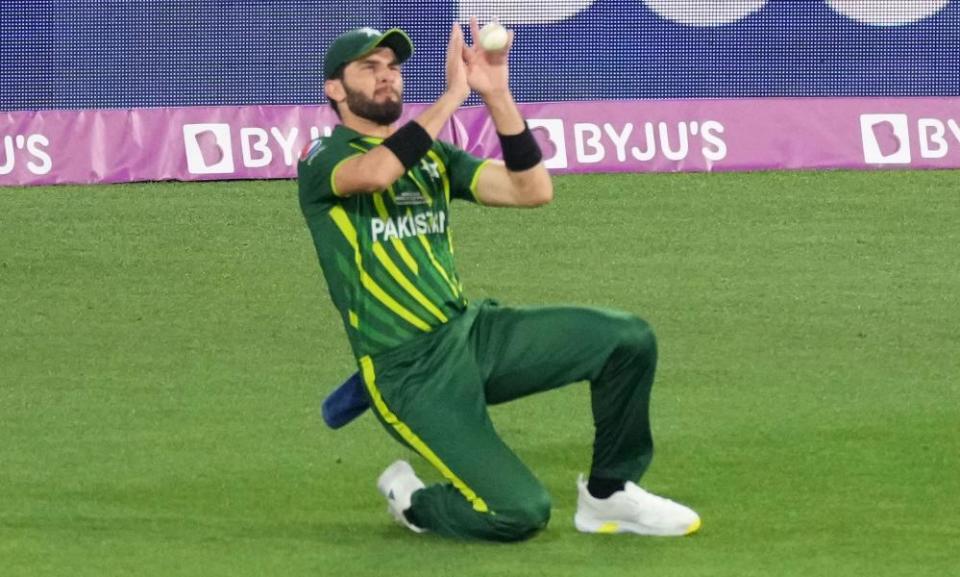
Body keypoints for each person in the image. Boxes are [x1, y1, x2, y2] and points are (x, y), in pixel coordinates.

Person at [297, 19, 700, 542]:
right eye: (369, 68)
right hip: (409, 373)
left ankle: (609, 495)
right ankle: (417, 502)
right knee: (520, 512)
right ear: (334, 88)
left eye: (393, 67)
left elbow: (531, 190)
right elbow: (375, 174)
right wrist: (452, 97)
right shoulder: (322, 158)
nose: (386, 77)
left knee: (627, 339)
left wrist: (496, 94)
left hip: (471, 335)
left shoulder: (434, 159)